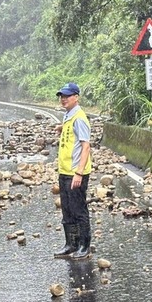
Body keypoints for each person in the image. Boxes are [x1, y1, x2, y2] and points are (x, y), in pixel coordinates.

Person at [53, 82, 92, 260]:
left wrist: (79, 173)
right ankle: (71, 244)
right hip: (64, 172)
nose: (63, 99)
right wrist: (62, 128)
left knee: (78, 210)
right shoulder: (69, 116)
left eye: (67, 96)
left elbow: (86, 147)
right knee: (67, 210)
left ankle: (84, 246)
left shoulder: (79, 118)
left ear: (76, 97)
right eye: (62, 96)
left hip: (75, 173)